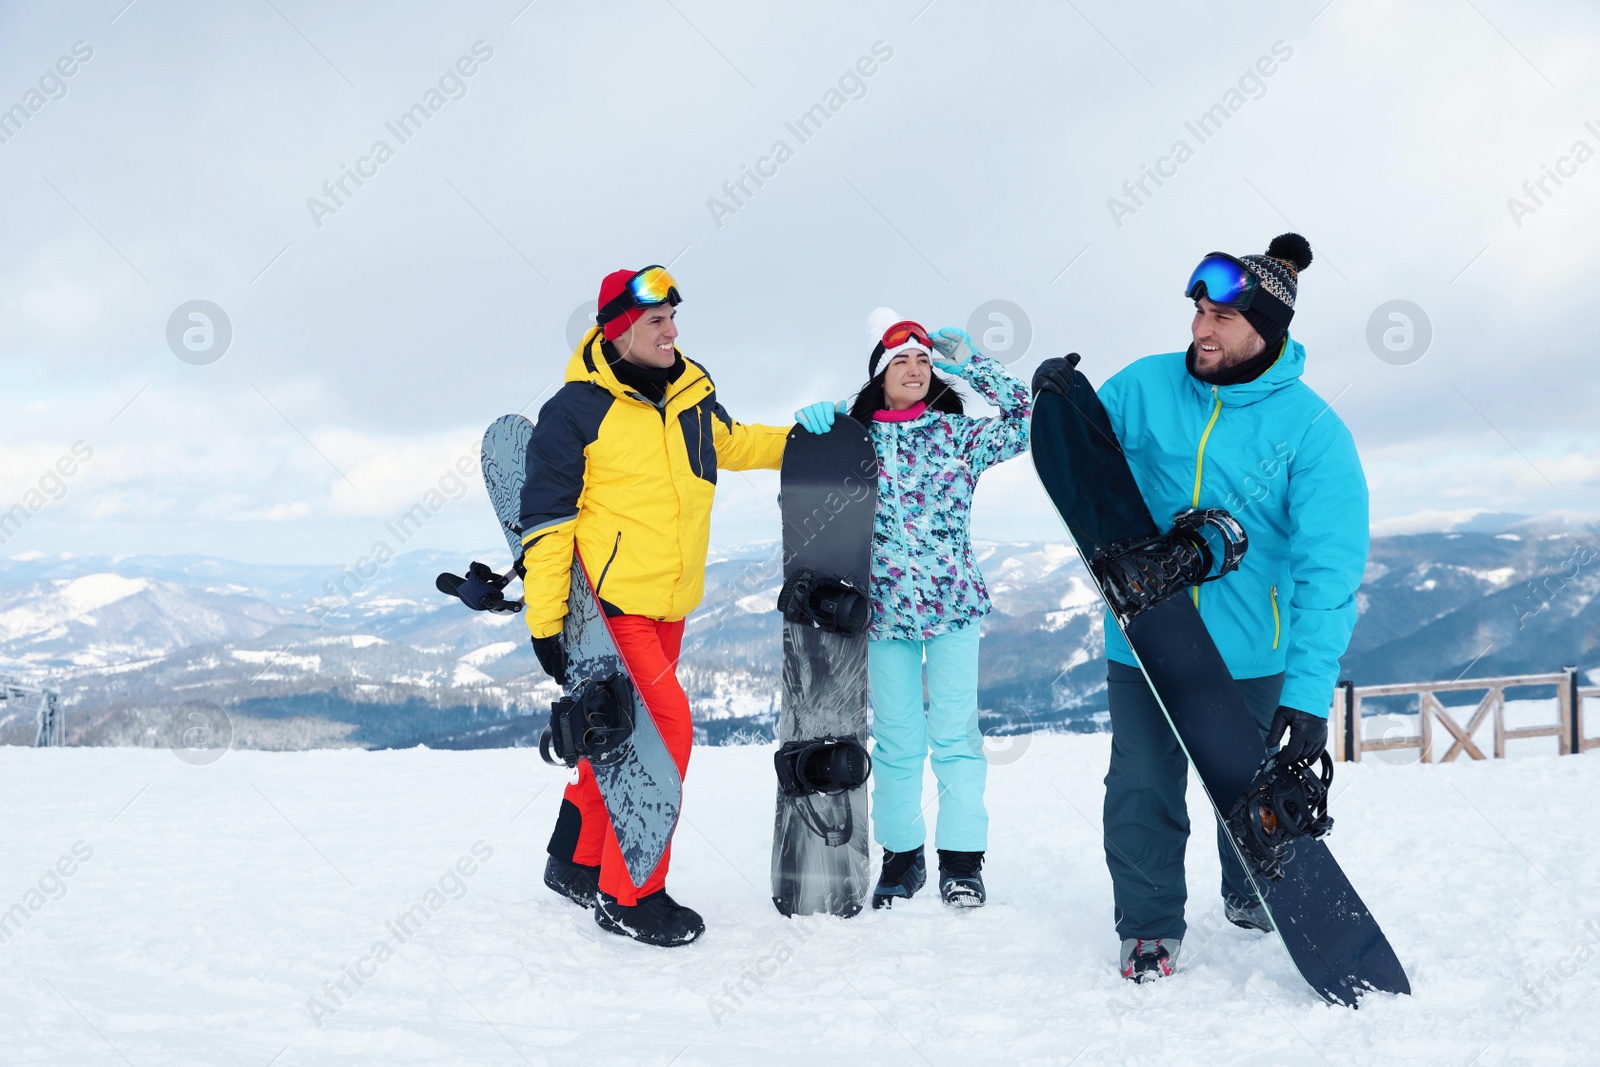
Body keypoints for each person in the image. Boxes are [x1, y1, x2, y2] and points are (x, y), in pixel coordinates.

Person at [1063, 233, 1368, 981]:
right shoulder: (1145, 386)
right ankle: (1149, 924)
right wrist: (1052, 404)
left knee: (1251, 789)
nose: (1200, 329)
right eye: (1198, 310)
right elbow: (1080, 463)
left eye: (1221, 319)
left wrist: (1307, 692)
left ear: (1268, 328)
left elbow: (1330, 572)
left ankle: (1250, 889)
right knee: (1140, 783)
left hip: (1251, 648)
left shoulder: (1314, 432)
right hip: (1144, 639)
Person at [524, 265, 831, 946]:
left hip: (670, 605)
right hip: (612, 609)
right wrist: (547, 622)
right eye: (657, 321)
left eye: (673, 318)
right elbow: (546, 524)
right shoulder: (575, 410)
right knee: (661, 737)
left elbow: (733, 442)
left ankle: (574, 860)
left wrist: (806, 438)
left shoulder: (690, 391)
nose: (673, 331)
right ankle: (628, 892)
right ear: (620, 330)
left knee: (617, 734)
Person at [795, 308, 1031, 909]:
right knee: (898, 742)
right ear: (879, 375)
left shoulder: (956, 436)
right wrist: (812, 428)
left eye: (925, 359)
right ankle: (902, 861)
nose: (916, 368)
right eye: (901, 359)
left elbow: (1030, 421)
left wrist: (975, 366)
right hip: (883, 617)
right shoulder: (854, 442)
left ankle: (961, 863)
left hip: (953, 606)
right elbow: (802, 470)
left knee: (956, 737)